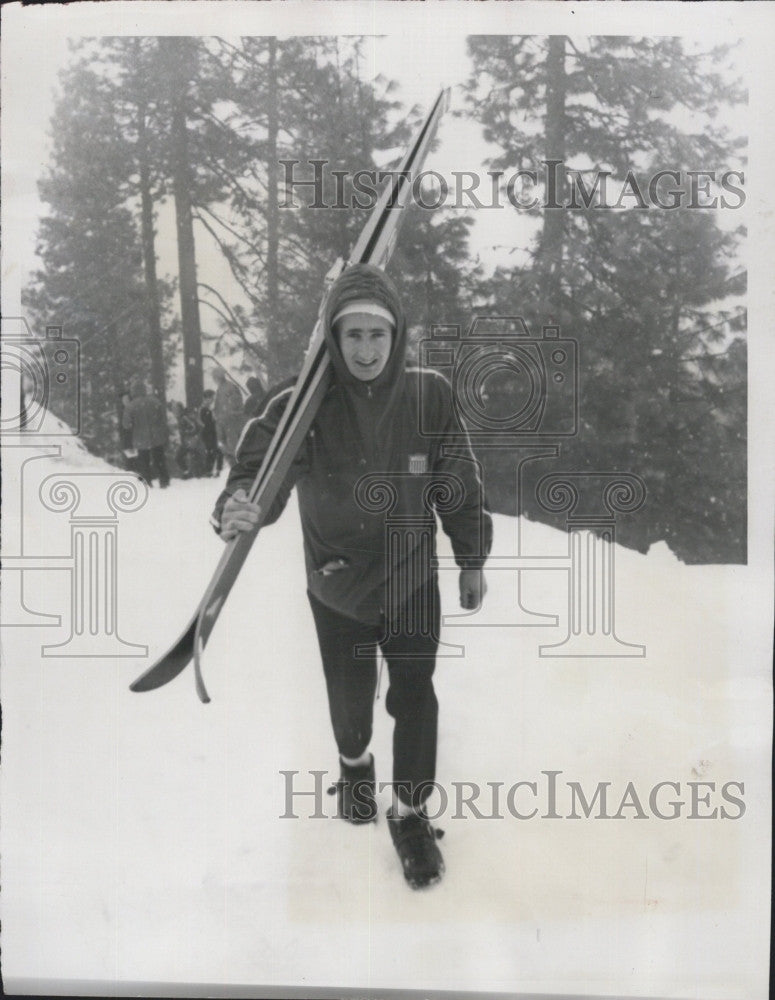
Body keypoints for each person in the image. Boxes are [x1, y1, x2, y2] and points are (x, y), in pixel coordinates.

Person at [210, 265, 492, 890]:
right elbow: (259, 472)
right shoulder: (300, 404)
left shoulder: (430, 395)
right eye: (352, 335)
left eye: (377, 335)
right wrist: (237, 505)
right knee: (350, 704)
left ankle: (413, 815)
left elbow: (459, 480)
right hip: (336, 582)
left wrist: (471, 556)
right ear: (333, 339)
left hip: (412, 578)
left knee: (415, 695)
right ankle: (354, 765)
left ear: (397, 338)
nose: (365, 349)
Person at [122, 380, 169, 488]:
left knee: (144, 461)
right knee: (160, 459)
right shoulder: (155, 402)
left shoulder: (131, 406)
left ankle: (147, 482)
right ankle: (164, 481)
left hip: (140, 438)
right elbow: (163, 419)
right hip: (157, 436)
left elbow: (126, 425)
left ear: (133, 391)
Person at [211, 368, 244, 465]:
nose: (214, 379)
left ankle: (237, 468)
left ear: (218, 377)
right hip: (224, 423)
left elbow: (236, 406)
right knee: (226, 448)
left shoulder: (229, 388)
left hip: (230, 423)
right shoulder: (222, 388)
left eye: (214, 377)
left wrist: (228, 416)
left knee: (233, 448)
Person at [200, 389, 223, 477]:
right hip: (209, 433)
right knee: (215, 452)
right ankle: (213, 471)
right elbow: (207, 423)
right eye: (212, 398)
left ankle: (210, 471)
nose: (213, 400)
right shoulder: (204, 409)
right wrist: (215, 420)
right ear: (207, 398)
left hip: (210, 433)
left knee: (212, 452)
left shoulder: (207, 409)